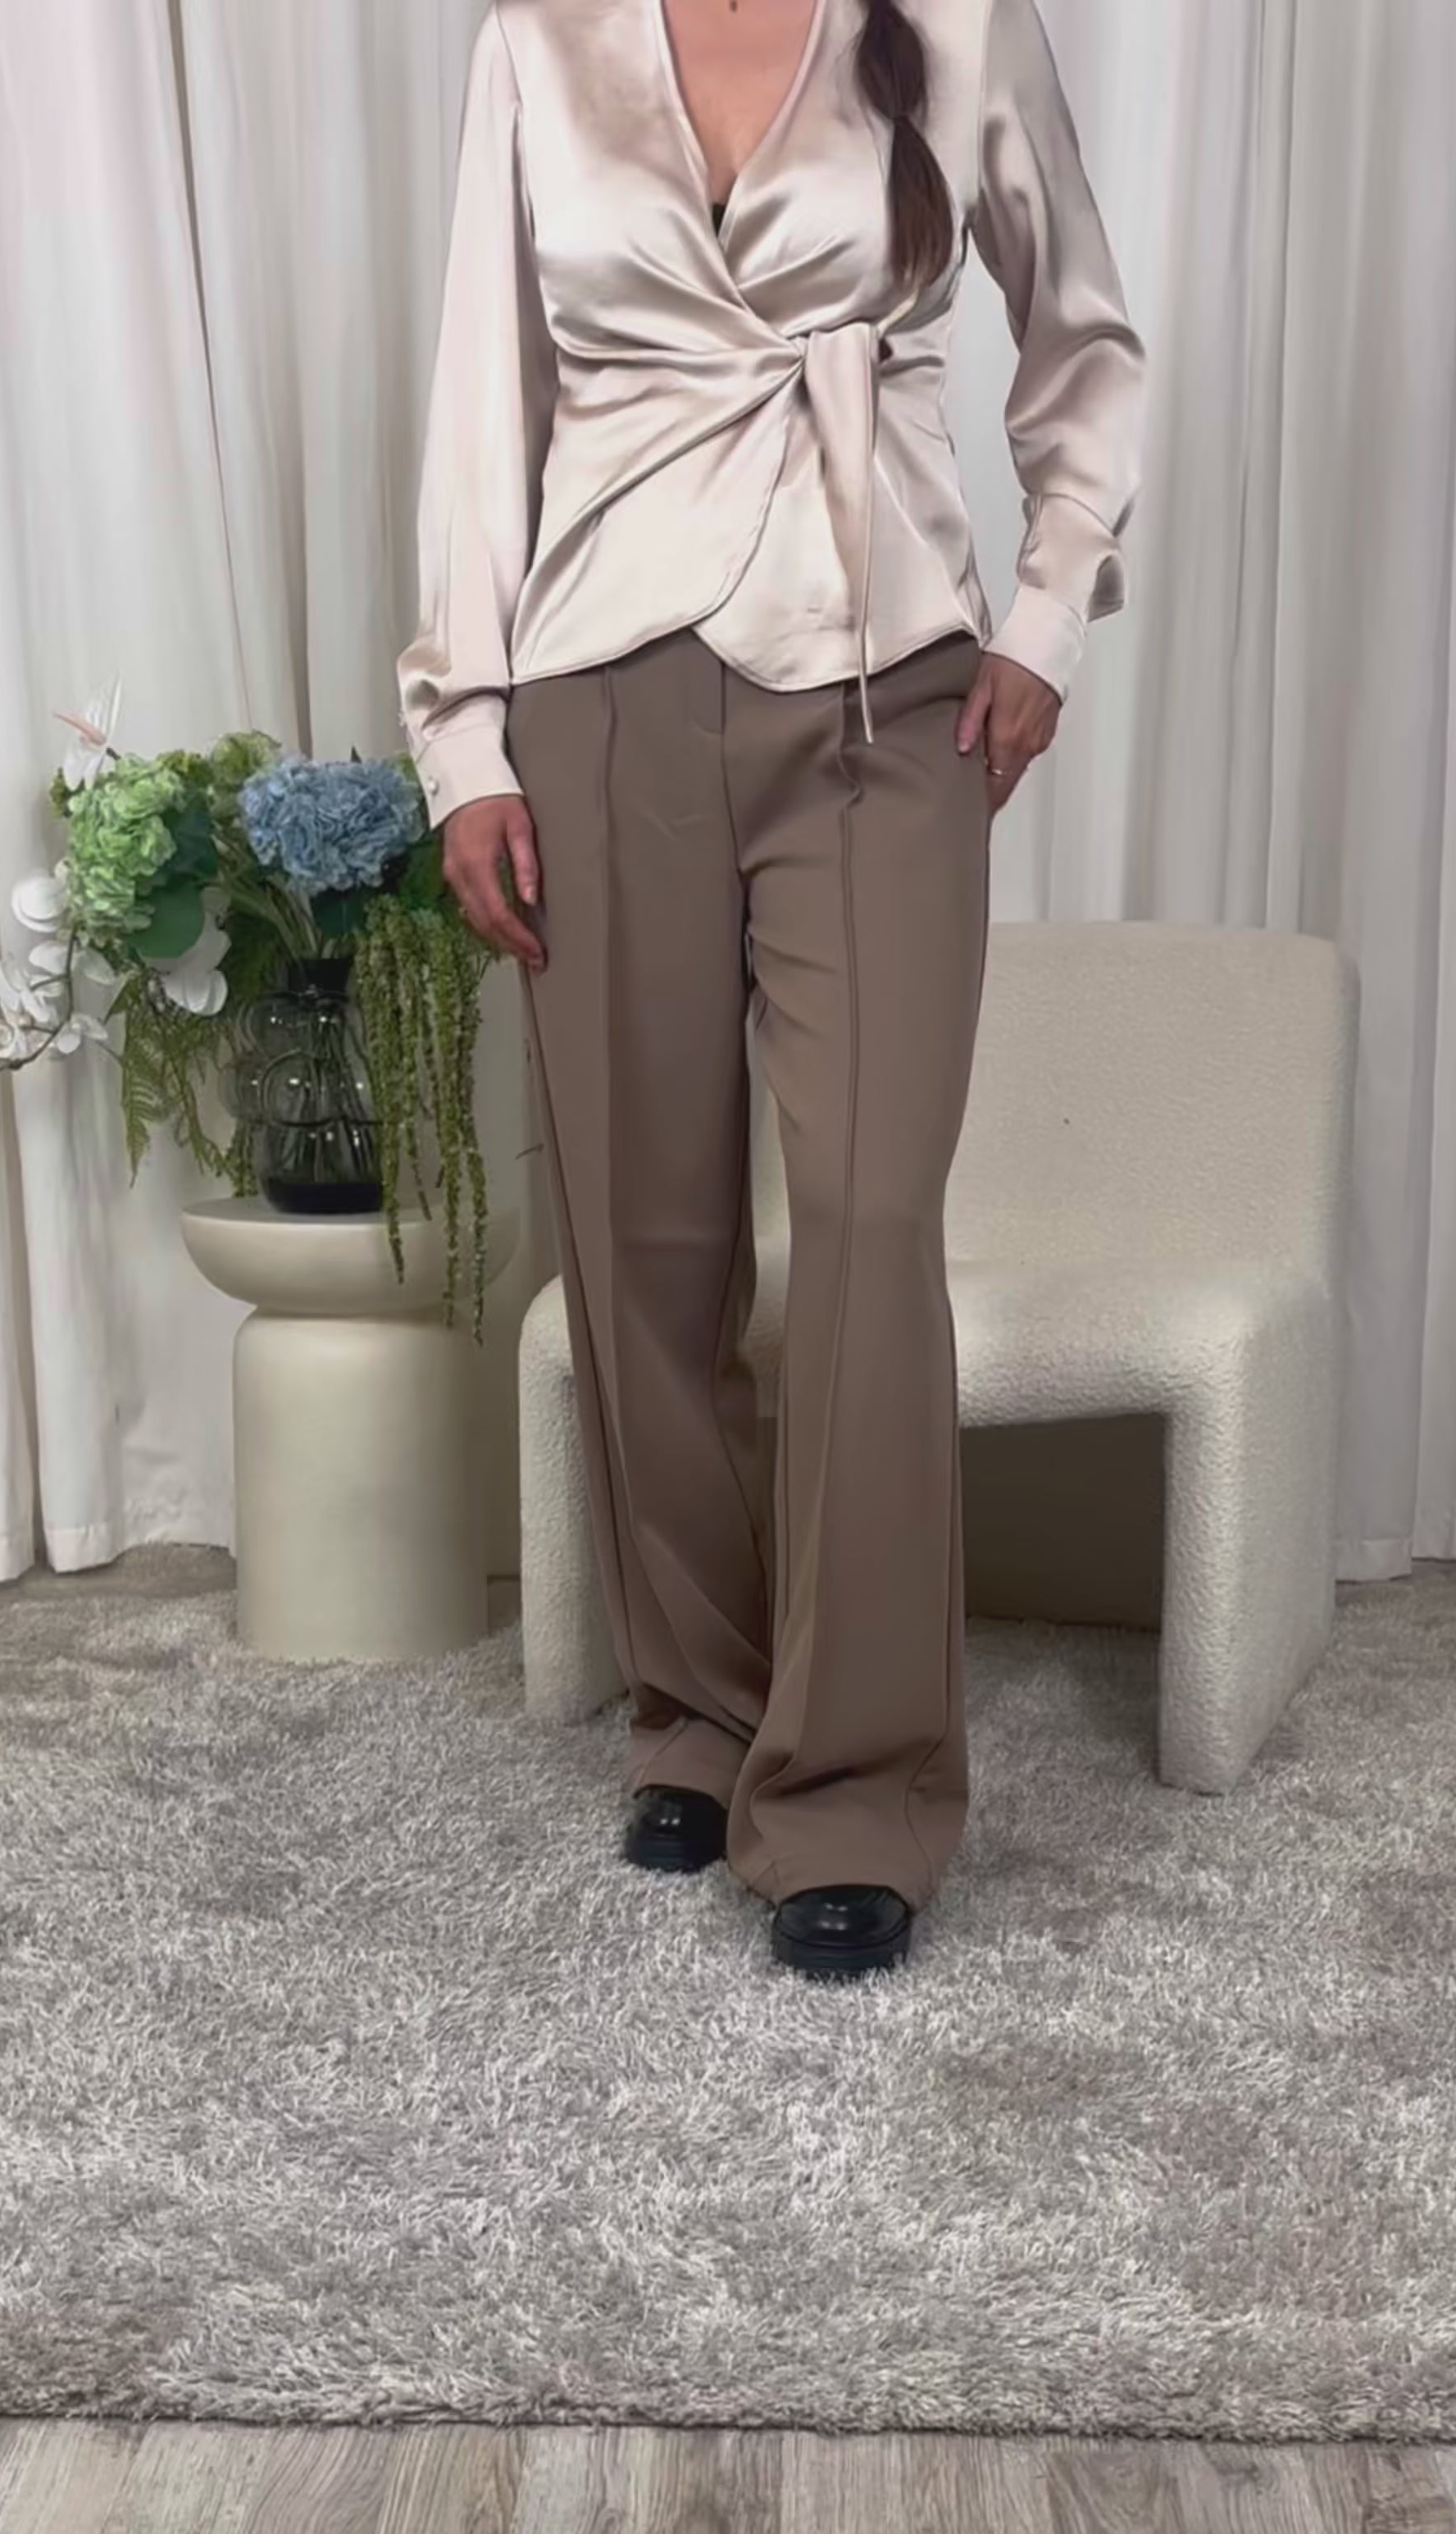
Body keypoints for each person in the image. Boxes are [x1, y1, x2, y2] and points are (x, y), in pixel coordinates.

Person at [398, 0, 1147, 1981]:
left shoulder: (958, 23)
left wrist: (1050, 609)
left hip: (885, 680)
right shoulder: (539, 39)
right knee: (643, 1233)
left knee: (873, 1217)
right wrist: (463, 736)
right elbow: (487, 391)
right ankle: (701, 1709)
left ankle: (860, 1785)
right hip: (601, 686)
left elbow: (1082, 329)